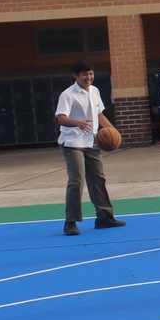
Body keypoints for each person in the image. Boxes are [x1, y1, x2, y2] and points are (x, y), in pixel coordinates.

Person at [55, 61, 125, 235]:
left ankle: (104, 217)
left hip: (91, 141)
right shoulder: (68, 95)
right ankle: (70, 222)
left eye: (91, 73)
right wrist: (77, 123)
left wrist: (113, 132)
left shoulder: (95, 91)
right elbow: (61, 118)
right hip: (72, 143)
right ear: (75, 75)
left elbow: (99, 114)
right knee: (77, 180)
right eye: (85, 74)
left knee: (98, 178)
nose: (89, 77)